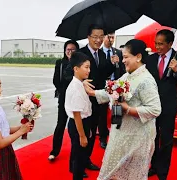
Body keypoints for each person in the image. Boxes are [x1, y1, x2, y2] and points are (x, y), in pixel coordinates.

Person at [84, 39, 162, 180]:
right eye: (123, 57)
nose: (123, 60)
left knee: (131, 175)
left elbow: (155, 109)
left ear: (138, 57)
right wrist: (92, 93)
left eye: (126, 57)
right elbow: (111, 91)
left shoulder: (146, 80)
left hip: (138, 137)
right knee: (112, 171)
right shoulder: (128, 75)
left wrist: (127, 109)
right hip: (121, 132)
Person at [64, 24, 118, 171]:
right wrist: (81, 82)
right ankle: (75, 166)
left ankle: (86, 160)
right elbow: (68, 74)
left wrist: (113, 64)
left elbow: (102, 73)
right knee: (79, 137)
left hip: (97, 101)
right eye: (95, 37)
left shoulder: (102, 54)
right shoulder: (80, 54)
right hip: (81, 102)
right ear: (88, 37)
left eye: (101, 36)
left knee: (92, 132)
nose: (99, 40)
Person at [146, 29, 177, 180]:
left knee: (166, 140)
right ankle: (153, 166)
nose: (157, 47)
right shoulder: (150, 59)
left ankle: (163, 171)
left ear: (170, 44)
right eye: (156, 44)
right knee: (152, 138)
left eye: (161, 44)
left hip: (169, 107)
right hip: (152, 105)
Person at [48, 40, 79, 161]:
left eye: (73, 50)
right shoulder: (60, 63)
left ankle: (76, 152)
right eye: (68, 50)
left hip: (77, 99)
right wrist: (65, 92)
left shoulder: (79, 64)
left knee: (76, 126)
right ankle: (54, 151)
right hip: (64, 98)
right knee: (60, 124)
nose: (70, 52)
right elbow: (56, 80)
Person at [65, 52, 92, 179]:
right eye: (86, 67)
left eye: (89, 67)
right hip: (78, 124)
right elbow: (77, 114)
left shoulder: (80, 83)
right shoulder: (75, 88)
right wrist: (82, 136)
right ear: (76, 69)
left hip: (81, 123)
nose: (88, 70)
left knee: (79, 155)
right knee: (79, 158)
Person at [99, 31, 126, 149]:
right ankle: (103, 138)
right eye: (109, 37)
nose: (111, 39)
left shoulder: (118, 53)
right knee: (102, 114)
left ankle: (116, 135)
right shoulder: (99, 53)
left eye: (112, 37)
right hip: (103, 85)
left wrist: (118, 64)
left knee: (117, 111)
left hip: (116, 85)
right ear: (103, 37)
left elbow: (123, 70)